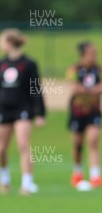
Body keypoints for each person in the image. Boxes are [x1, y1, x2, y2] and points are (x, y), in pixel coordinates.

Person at [0, 28, 45, 195]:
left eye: (2, 40)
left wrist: (41, 113)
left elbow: (36, 89)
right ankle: (4, 179)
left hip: (23, 109)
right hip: (4, 109)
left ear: (10, 43)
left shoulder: (28, 64)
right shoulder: (2, 64)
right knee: (1, 149)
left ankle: (27, 183)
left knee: (23, 145)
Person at [66, 41, 102, 188]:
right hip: (77, 111)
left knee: (93, 141)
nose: (94, 56)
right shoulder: (75, 69)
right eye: (92, 53)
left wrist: (88, 90)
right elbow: (73, 87)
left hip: (94, 111)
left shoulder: (100, 69)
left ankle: (95, 175)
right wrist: (92, 90)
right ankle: (77, 172)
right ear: (83, 54)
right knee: (78, 144)